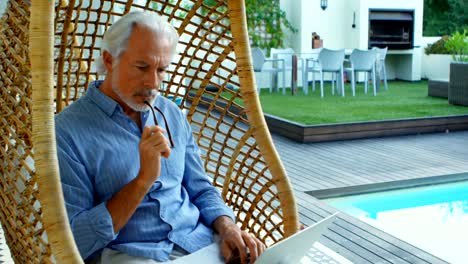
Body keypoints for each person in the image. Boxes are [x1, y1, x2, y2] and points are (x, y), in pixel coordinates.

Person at [55, 11, 265, 264]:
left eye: (162, 69)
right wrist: (143, 180)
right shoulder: (67, 131)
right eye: (142, 67)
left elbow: (200, 188)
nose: (153, 83)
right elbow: (77, 238)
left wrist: (228, 227)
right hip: (132, 253)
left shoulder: (171, 113)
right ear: (109, 60)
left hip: (199, 244)